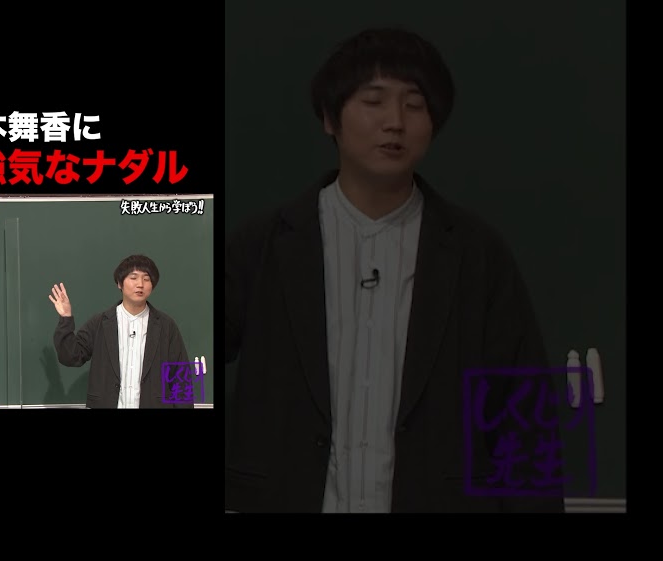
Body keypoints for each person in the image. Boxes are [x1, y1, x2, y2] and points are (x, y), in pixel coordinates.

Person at [225, 27, 562, 512]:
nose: (395, 122)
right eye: (374, 101)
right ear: (330, 118)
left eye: (415, 105)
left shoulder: (475, 253)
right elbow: (184, 355)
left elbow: (523, 412)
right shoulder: (265, 245)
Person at [49, 255, 193, 408]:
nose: (140, 284)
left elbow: (181, 377)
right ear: (119, 283)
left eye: (146, 279)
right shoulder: (101, 323)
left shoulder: (166, 326)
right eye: (133, 278)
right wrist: (66, 318)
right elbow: (71, 357)